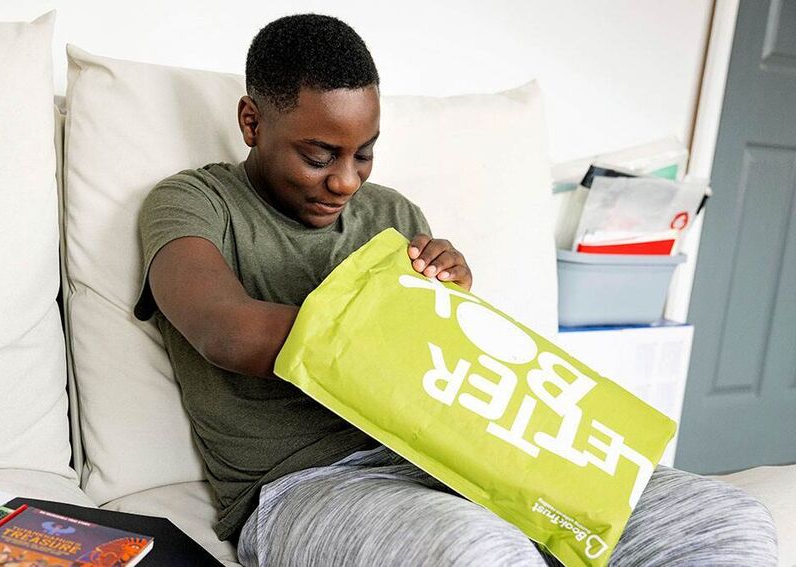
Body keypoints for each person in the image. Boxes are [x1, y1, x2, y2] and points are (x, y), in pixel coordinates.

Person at [135, 14, 777, 566]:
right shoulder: (194, 203)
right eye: (320, 154)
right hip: (302, 487)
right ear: (252, 122)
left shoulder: (393, 215)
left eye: (365, 154)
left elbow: (442, 371)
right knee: (481, 552)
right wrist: (395, 315)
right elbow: (227, 332)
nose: (346, 182)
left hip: (462, 453)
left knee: (727, 523)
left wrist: (450, 305)